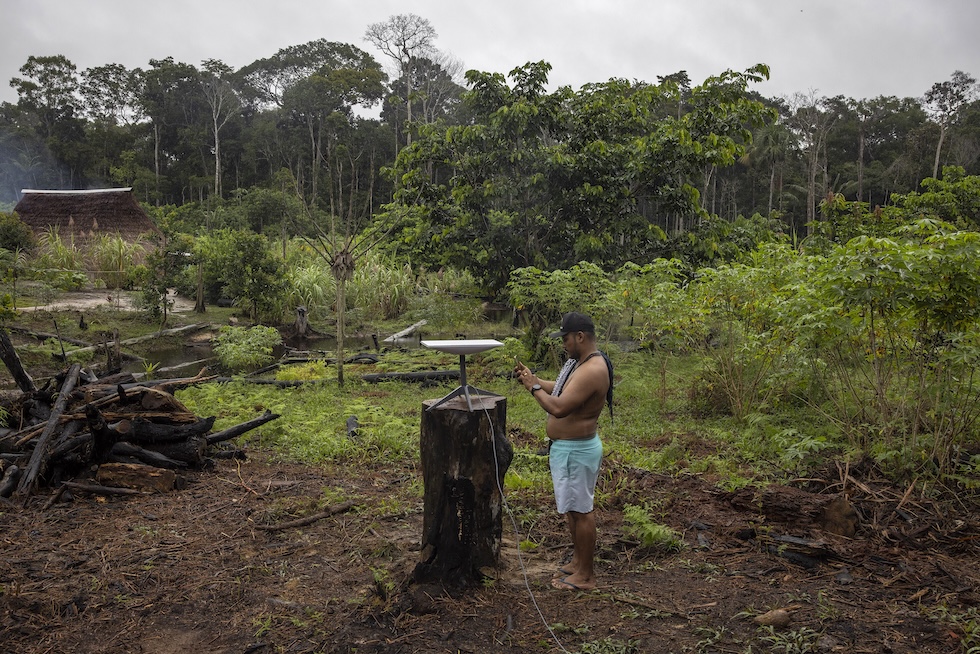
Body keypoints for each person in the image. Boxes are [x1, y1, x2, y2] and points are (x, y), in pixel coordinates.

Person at [514, 311, 612, 591]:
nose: (564, 344)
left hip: (577, 451)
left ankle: (586, 575)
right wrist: (532, 380)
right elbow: (559, 391)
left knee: (582, 511)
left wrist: (534, 388)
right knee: (572, 510)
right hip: (569, 449)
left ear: (580, 337)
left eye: (566, 338)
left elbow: (558, 406)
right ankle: (578, 562)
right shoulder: (580, 363)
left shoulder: (592, 369)